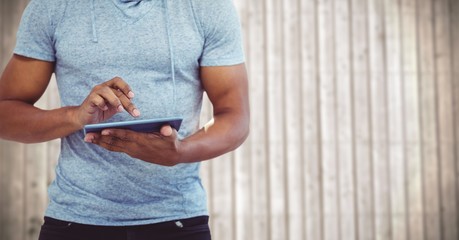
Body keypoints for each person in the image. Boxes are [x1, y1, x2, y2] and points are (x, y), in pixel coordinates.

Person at [0, 0, 249, 239]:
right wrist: (74, 116)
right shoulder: (53, 6)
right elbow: (5, 112)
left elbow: (235, 117)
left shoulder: (207, 7)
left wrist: (181, 152)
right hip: (75, 219)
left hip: (177, 219)